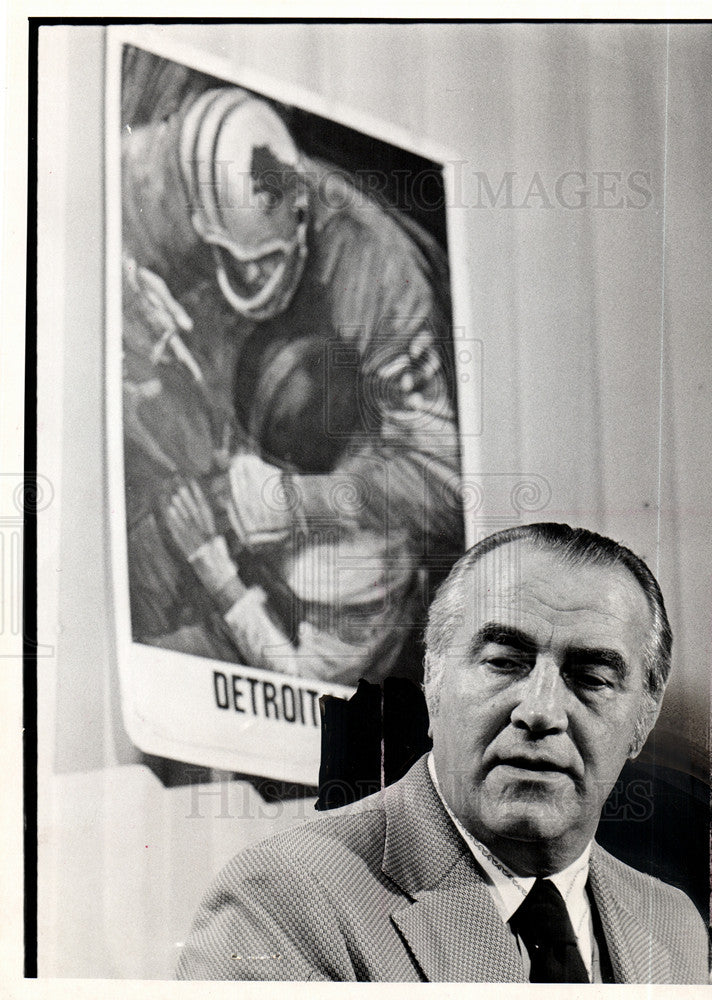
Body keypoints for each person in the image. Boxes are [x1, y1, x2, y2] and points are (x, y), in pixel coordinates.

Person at [176, 523, 712, 983]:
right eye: (504, 661)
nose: (541, 711)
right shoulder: (285, 901)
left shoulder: (673, 925)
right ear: (433, 678)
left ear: (644, 717)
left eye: (591, 677)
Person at [120, 82, 463, 682]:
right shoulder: (171, 175)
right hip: (238, 473)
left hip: (323, 560)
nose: (251, 276)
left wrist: (299, 503)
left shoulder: (377, 273)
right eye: (233, 258)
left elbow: (444, 479)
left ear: (301, 214)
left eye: (267, 259)